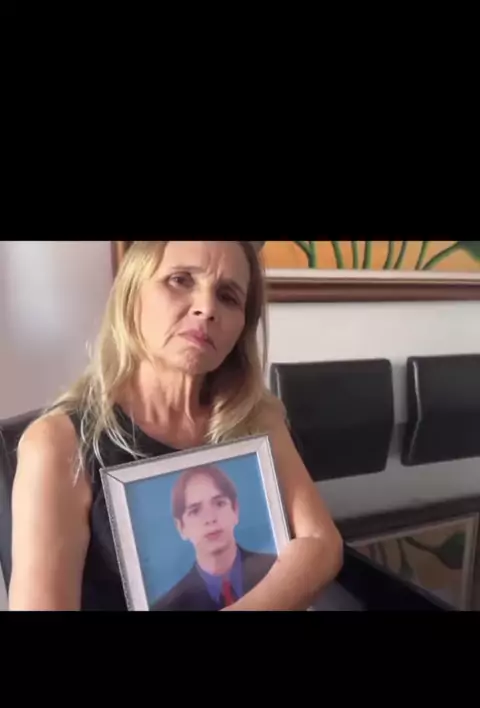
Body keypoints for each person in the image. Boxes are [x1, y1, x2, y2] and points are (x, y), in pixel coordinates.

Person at [9, 240, 343, 611]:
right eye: (180, 280)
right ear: (132, 293)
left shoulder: (257, 417)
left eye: (228, 297)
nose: (206, 308)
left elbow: (321, 543)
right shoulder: (58, 443)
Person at [151, 464, 276, 611]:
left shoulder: (280, 569)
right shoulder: (167, 608)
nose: (210, 518)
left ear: (235, 510)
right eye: (195, 511)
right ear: (181, 527)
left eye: (219, 503)